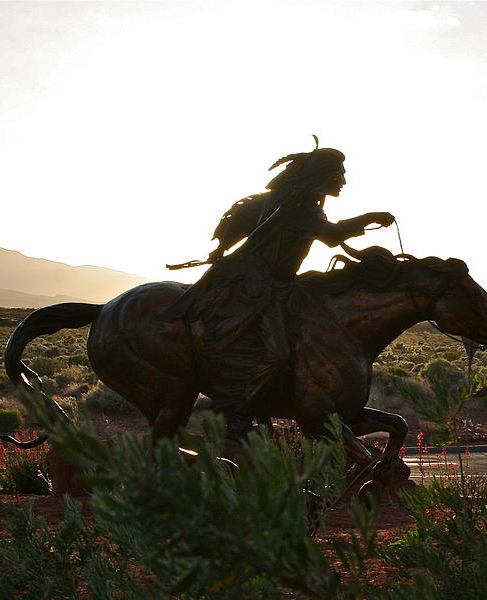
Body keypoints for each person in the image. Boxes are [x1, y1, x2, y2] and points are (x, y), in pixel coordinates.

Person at [165, 143, 395, 418]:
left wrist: (222, 247)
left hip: (278, 282)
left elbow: (241, 216)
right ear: (324, 175)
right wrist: (370, 218)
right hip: (261, 284)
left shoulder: (286, 202)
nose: (344, 181)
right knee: (277, 354)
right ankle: (237, 413)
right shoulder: (300, 207)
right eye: (340, 174)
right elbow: (331, 235)